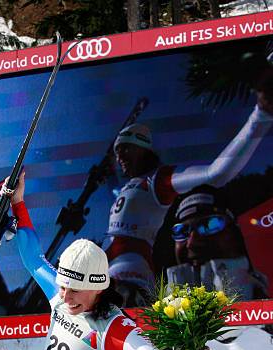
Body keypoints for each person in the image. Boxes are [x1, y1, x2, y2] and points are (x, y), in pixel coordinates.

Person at [10, 172, 179, 350]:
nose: (65, 297)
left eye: (75, 290)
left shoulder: (113, 326)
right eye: (63, 287)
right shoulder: (60, 295)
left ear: (97, 288)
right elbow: (33, 258)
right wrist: (18, 202)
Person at [103, 92, 273, 306]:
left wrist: (261, 115)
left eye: (125, 148)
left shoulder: (157, 181)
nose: (120, 157)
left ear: (142, 148)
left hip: (130, 285)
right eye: (117, 152)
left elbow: (216, 173)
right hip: (108, 280)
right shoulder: (130, 187)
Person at [167, 186, 269, 300]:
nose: (192, 243)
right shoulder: (160, 308)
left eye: (210, 224)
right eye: (181, 231)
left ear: (236, 233)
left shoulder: (266, 296)